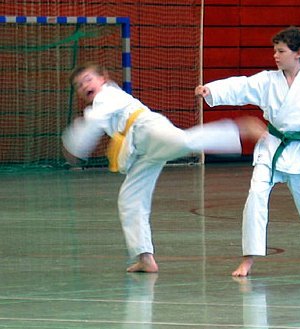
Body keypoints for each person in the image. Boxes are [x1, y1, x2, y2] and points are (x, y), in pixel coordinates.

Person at [62, 63, 266, 273]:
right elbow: (94, 121)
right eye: (79, 85)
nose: (85, 85)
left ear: (103, 78)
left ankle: (240, 129)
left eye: (88, 79)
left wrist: (75, 145)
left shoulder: (107, 95)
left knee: (185, 142)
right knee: (130, 198)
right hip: (140, 148)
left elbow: (93, 122)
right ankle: (145, 257)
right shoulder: (97, 105)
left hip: (148, 128)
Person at [195, 26, 300, 276]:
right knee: (256, 197)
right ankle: (248, 259)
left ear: (298, 53)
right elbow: (242, 87)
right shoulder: (268, 80)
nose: (276, 56)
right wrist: (212, 90)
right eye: (275, 51)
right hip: (271, 148)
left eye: (281, 51)